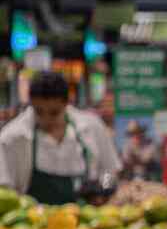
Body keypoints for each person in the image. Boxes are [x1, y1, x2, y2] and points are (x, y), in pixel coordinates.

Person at [0, 71, 120, 203]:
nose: (46, 119)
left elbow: (110, 170)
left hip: (87, 219)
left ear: (66, 103)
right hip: (33, 220)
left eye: (54, 113)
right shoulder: (12, 138)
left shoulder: (92, 127)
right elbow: (5, 190)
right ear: (31, 103)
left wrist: (105, 189)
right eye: (39, 112)